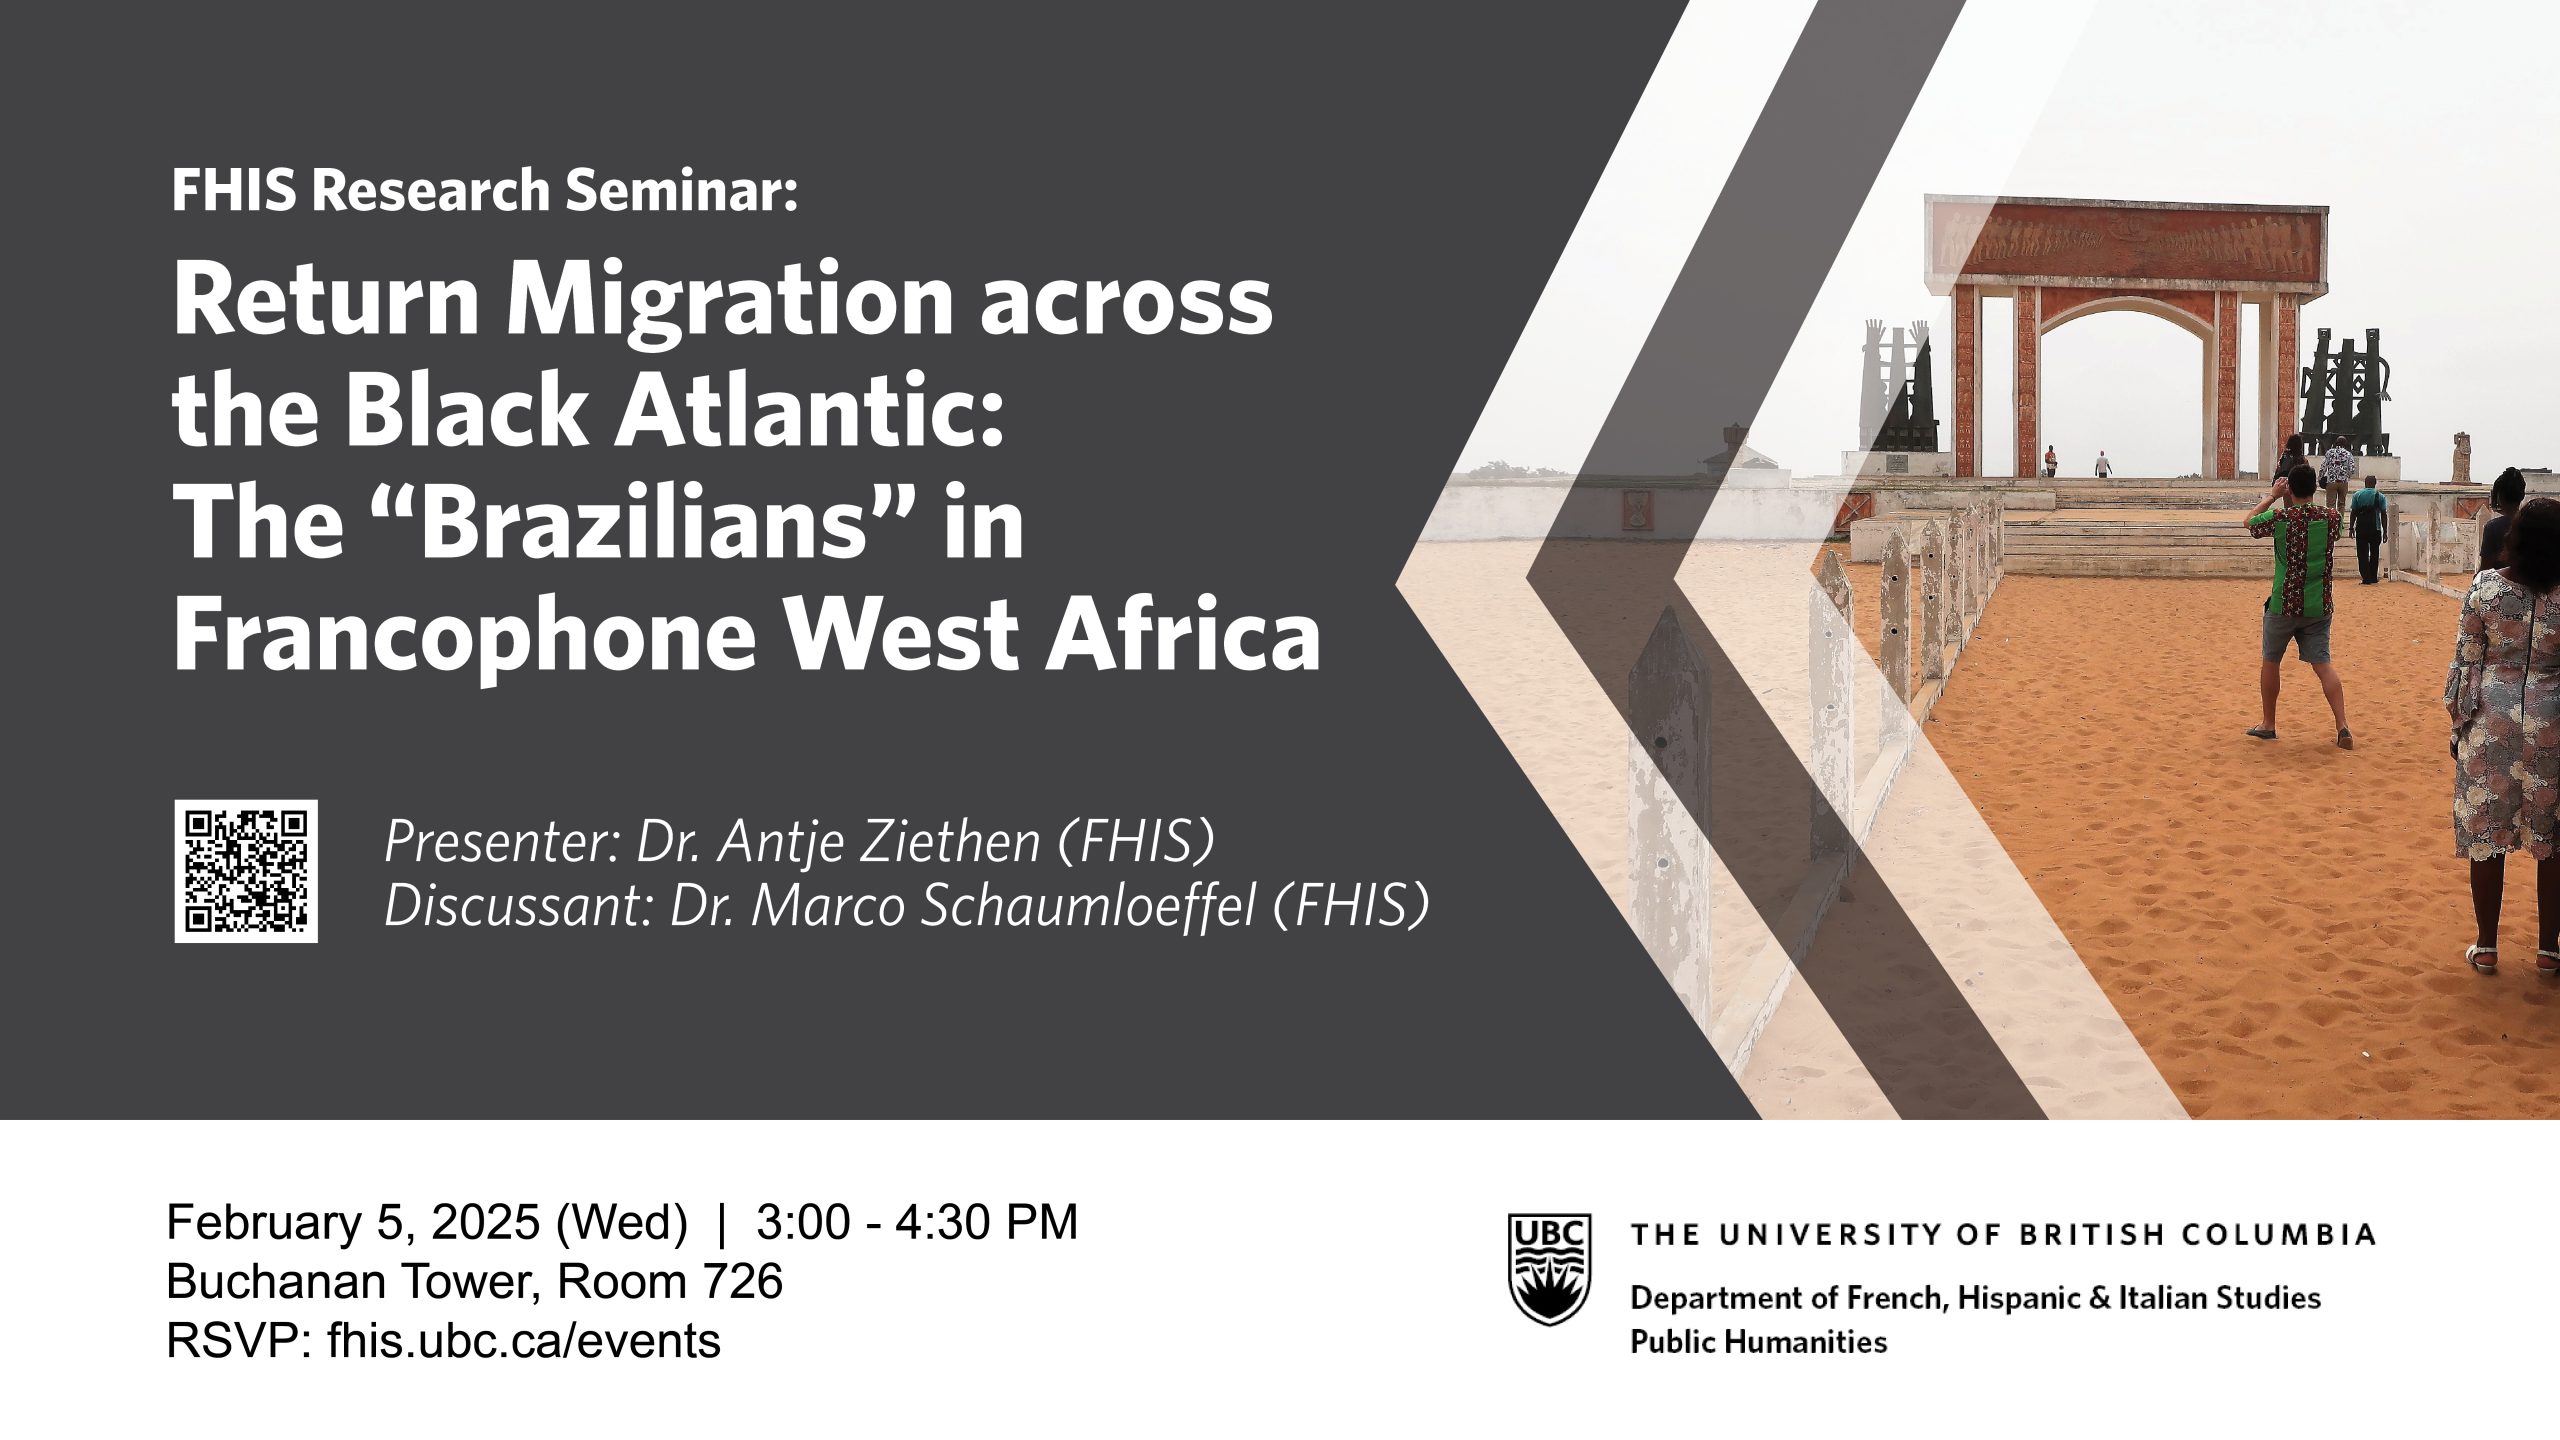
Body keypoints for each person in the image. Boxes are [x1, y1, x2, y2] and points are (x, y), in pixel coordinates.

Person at [2445, 495, 2560, 976]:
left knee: (2487, 836)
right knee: (2553, 839)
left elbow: (2465, 663)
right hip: (2552, 723)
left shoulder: (2486, 589)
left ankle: (2487, 945)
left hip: (2490, 722)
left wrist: (2458, 727)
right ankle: (2549, 950)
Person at [2245, 463, 2353, 748]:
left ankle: (2269, 723)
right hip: (2318, 603)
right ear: (2316, 488)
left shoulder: (2281, 517)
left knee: (2271, 661)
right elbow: (2338, 531)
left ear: (2290, 488)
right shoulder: (2331, 517)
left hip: (2283, 601)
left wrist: (2272, 496)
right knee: (2323, 665)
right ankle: (2342, 725)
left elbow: (2250, 523)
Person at [2479, 467, 2526, 570]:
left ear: (2500, 497)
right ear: (2522, 495)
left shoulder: (2493, 528)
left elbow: (2485, 568)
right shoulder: (2534, 523)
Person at [2349, 475, 2389, 584]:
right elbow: (2384, 514)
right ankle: (2373, 577)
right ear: (2375, 483)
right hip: (2375, 528)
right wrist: (2385, 531)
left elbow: (2353, 513)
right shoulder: (2380, 496)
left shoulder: (2357, 495)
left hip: (2361, 528)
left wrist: (2351, 528)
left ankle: (2365, 578)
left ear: (2365, 483)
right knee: (2375, 553)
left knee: (2362, 553)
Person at [2319, 440, 2356, 514]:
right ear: (2345, 444)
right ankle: (2340, 523)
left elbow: (2323, 467)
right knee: (2341, 504)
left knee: (2330, 505)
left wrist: (2320, 477)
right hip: (2343, 482)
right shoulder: (2348, 454)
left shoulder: (2329, 453)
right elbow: (2352, 469)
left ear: (2335, 443)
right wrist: (2347, 476)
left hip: (2331, 482)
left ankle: (2332, 523)